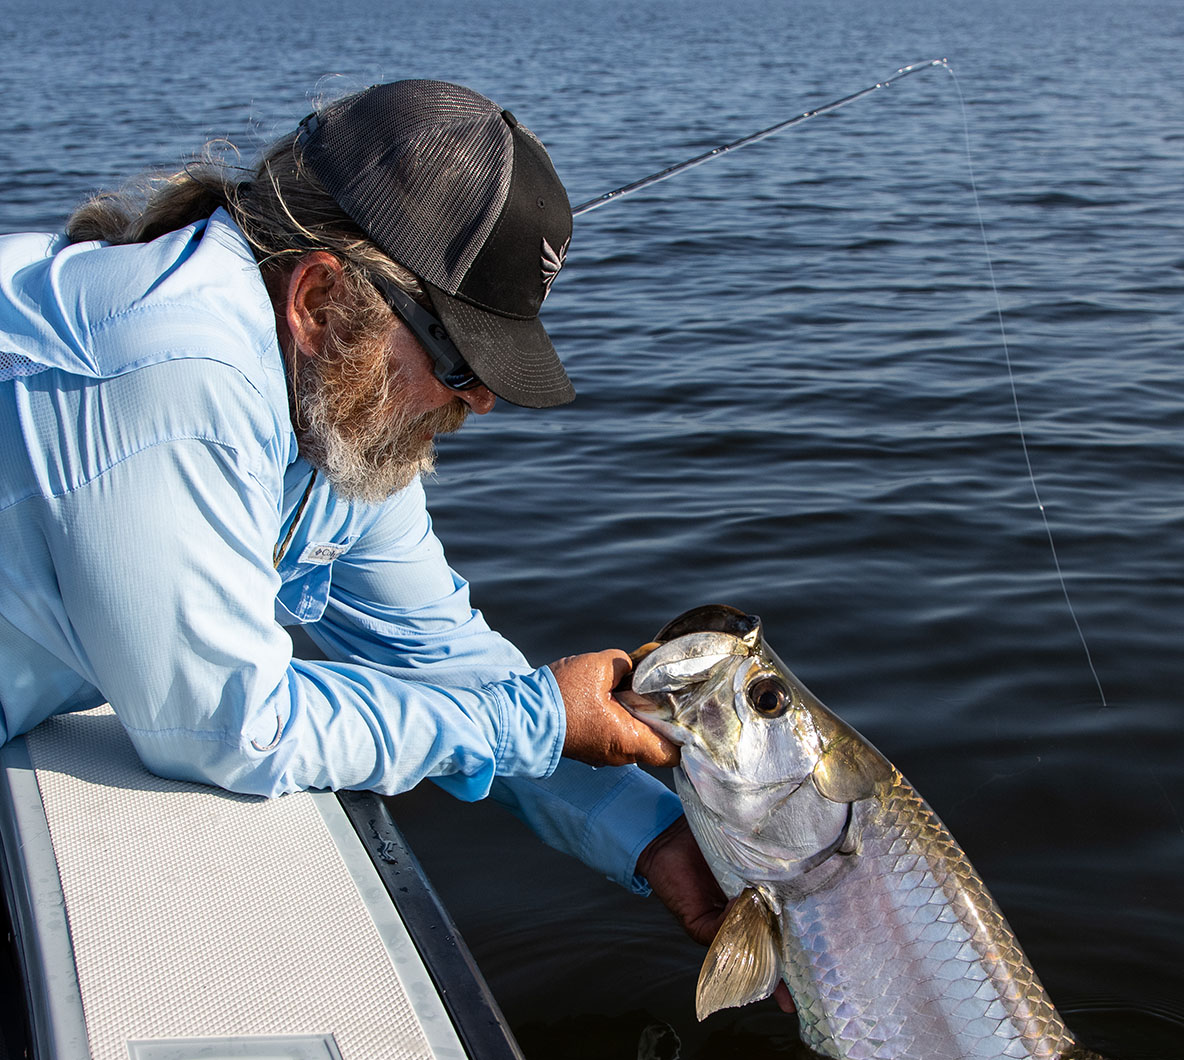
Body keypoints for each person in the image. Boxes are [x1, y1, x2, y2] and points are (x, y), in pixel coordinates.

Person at [0, 78, 728, 946]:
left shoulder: (335, 408)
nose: (483, 398)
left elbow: (435, 654)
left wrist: (660, 839)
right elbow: (229, 727)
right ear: (318, 300)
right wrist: (533, 721)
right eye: (461, 355)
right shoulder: (169, 370)